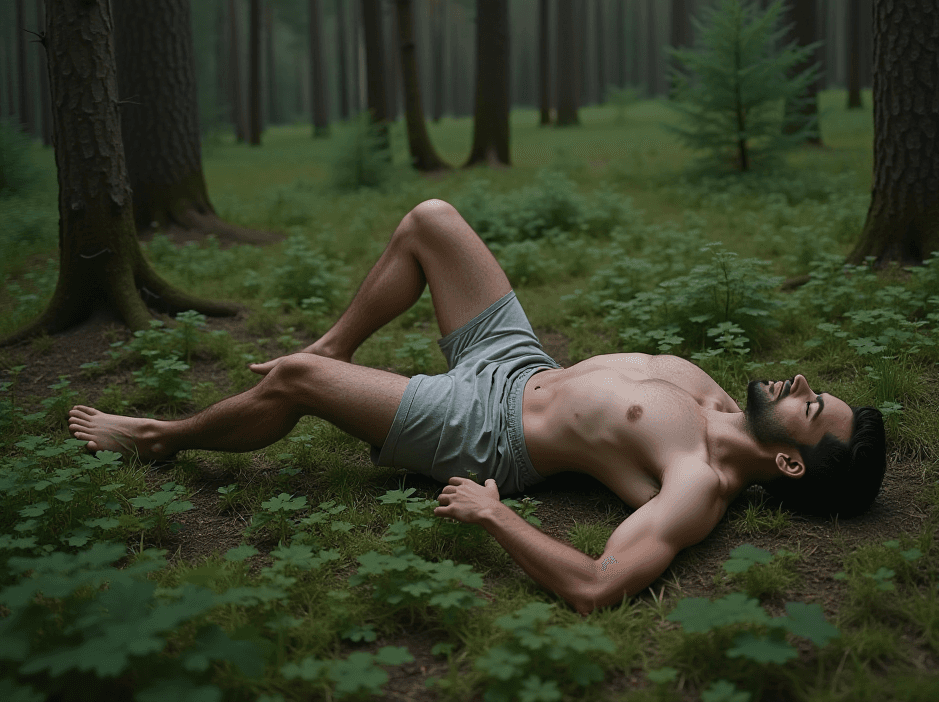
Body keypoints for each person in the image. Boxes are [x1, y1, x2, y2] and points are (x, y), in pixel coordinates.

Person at [68, 199, 886, 616]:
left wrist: (496, 517)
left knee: (293, 384)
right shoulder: (712, 396)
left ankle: (159, 439)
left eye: (813, 409)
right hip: (521, 362)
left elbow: (598, 586)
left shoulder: (697, 484)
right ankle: (334, 347)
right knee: (431, 221)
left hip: (487, 430)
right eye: (818, 390)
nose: (803, 385)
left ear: (788, 460)